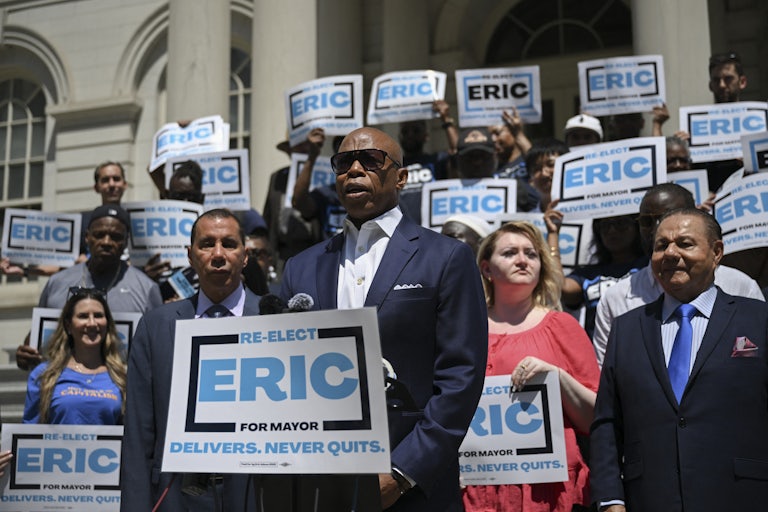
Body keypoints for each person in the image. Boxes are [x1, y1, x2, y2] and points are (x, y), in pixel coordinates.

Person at [281, 127, 488, 511]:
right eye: (344, 163)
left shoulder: (446, 258)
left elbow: (461, 377)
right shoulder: (299, 268)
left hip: (414, 487)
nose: (355, 170)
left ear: (401, 177)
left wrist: (402, 472)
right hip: (319, 484)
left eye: (371, 160)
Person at [590, 208, 768, 511]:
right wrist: (611, 501)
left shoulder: (758, 319)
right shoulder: (626, 328)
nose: (670, 253)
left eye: (685, 243)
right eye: (661, 246)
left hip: (743, 496)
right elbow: (607, 422)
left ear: (717, 252)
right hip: (651, 498)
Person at [120, 209, 261, 511]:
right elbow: (138, 434)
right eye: (207, 243)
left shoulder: (275, 317)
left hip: (256, 493)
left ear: (245, 255)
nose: (218, 254)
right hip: (175, 494)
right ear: (190, 255)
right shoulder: (156, 326)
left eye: (230, 244)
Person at [463, 221, 599, 512]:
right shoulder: (462, 329)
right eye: (510, 252)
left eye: (532, 254)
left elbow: (596, 418)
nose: (523, 260)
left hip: (544, 495)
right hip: (475, 490)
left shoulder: (563, 326)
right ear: (487, 269)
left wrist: (556, 377)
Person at [592, 184, 763, 366]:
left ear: (717, 251)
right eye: (647, 221)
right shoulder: (616, 300)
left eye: (667, 216)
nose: (656, 228)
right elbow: (608, 379)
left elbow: (752, 367)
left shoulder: (741, 288)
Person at [15, 204, 162, 371]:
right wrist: (26, 354)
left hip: (122, 393)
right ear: (87, 237)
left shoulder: (147, 288)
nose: (106, 242)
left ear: (125, 242)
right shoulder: (57, 282)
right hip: (64, 391)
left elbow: (159, 349)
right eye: (99, 235)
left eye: (115, 236)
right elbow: (37, 339)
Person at [23, 288, 126, 424]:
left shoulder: (123, 376)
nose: (92, 323)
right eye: (83, 316)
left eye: (98, 315)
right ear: (68, 325)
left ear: (107, 323)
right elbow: (29, 432)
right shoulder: (44, 374)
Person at [558, 214, 647, 338]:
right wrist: (553, 233)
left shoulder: (650, 267)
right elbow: (562, 288)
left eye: (620, 223)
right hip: (600, 354)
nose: (612, 230)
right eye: (605, 225)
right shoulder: (588, 274)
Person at [525, 138, 569, 211]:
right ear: (531, 180)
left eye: (551, 165)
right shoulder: (527, 221)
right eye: (537, 169)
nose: (544, 174)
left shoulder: (587, 214)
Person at [490, 107, 533, 179]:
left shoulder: (526, 160)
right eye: (490, 135)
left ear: (512, 131)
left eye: (497, 133)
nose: (493, 139)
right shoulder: (490, 168)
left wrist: (518, 134)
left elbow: (537, 163)